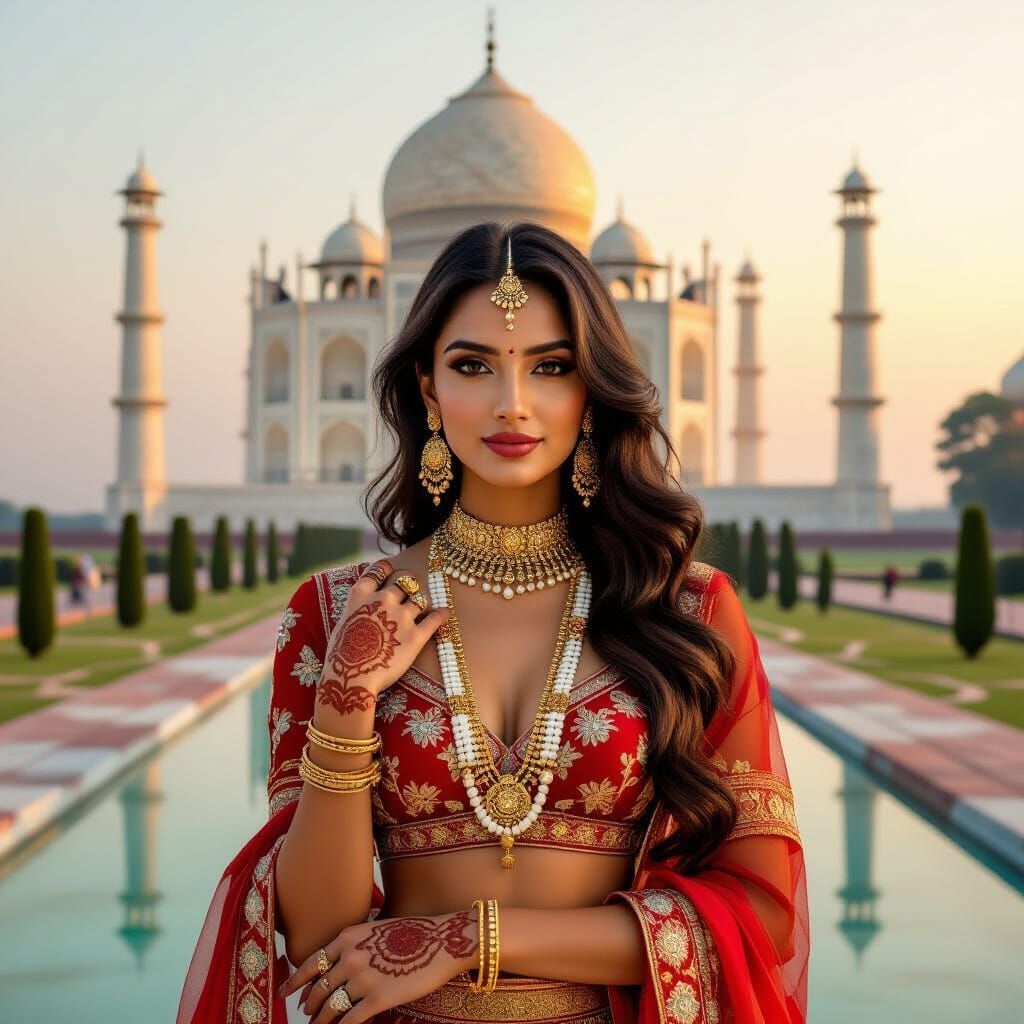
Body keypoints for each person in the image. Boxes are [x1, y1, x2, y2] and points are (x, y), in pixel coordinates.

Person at [176, 222, 808, 1024]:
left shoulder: (685, 608)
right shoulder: (338, 613)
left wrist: (468, 939)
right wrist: (344, 705)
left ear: (591, 390)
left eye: (551, 367)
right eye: (473, 365)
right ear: (428, 387)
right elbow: (317, 938)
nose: (513, 403)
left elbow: (759, 913)